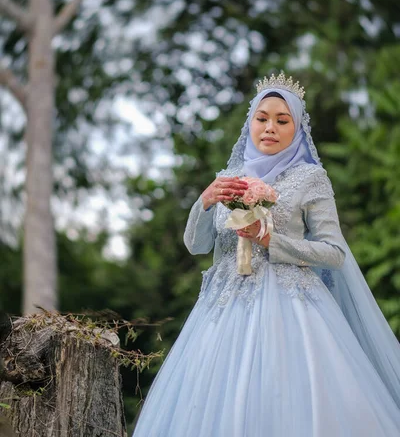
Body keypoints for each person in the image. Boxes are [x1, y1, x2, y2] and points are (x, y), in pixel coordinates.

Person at [132, 73, 400, 437]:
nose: (270, 127)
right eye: (262, 118)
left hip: (293, 307)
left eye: (282, 120)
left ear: (297, 128)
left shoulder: (311, 178)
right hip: (221, 310)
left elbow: (335, 253)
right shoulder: (229, 177)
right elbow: (197, 246)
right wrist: (205, 201)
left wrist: (270, 241)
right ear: (250, 123)